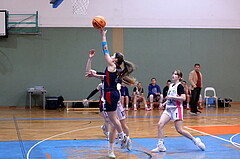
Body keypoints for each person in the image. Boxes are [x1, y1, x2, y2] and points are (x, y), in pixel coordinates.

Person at [100, 28, 137, 158]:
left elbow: (105, 50)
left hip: (110, 94)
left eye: (113, 55)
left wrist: (103, 36)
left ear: (115, 60)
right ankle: (123, 137)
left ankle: (122, 137)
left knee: (112, 120)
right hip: (114, 94)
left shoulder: (112, 65)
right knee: (113, 120)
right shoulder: (117, 68)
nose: (110, 56)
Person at [151, 70, 205, 153]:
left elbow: (183, 98)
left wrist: (172, 98)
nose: (173, 75)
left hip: (176, 109)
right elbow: (170, 96)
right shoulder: (171, 85)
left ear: (179, 77)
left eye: (175, 74)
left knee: (179, 130)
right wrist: (164, 103)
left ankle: (195, 140)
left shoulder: (180, 86)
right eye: (173, 73)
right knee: (160, 124)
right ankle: (161, 146)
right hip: (169, 109)